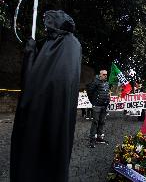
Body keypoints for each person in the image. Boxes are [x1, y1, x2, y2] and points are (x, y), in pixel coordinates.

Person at [10, 10, 81, 182]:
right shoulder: (75, 45)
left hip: (38, 114)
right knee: (56, 152)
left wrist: (30, 54)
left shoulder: (52, 45)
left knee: (33, 153)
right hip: (61, 115)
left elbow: (32, 83)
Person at [87, 70, 110, 148]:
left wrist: (107, 101)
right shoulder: (95, 82)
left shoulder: (107, 83)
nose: (105, 76)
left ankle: (99, 137)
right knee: (95, 122)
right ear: (100, 75)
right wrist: (93, 102)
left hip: (104, 106)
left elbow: (107, 93)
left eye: (106, 74)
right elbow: (89, 92)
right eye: (104, 74)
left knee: (102, 122)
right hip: (97, 105)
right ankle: (92, 140)